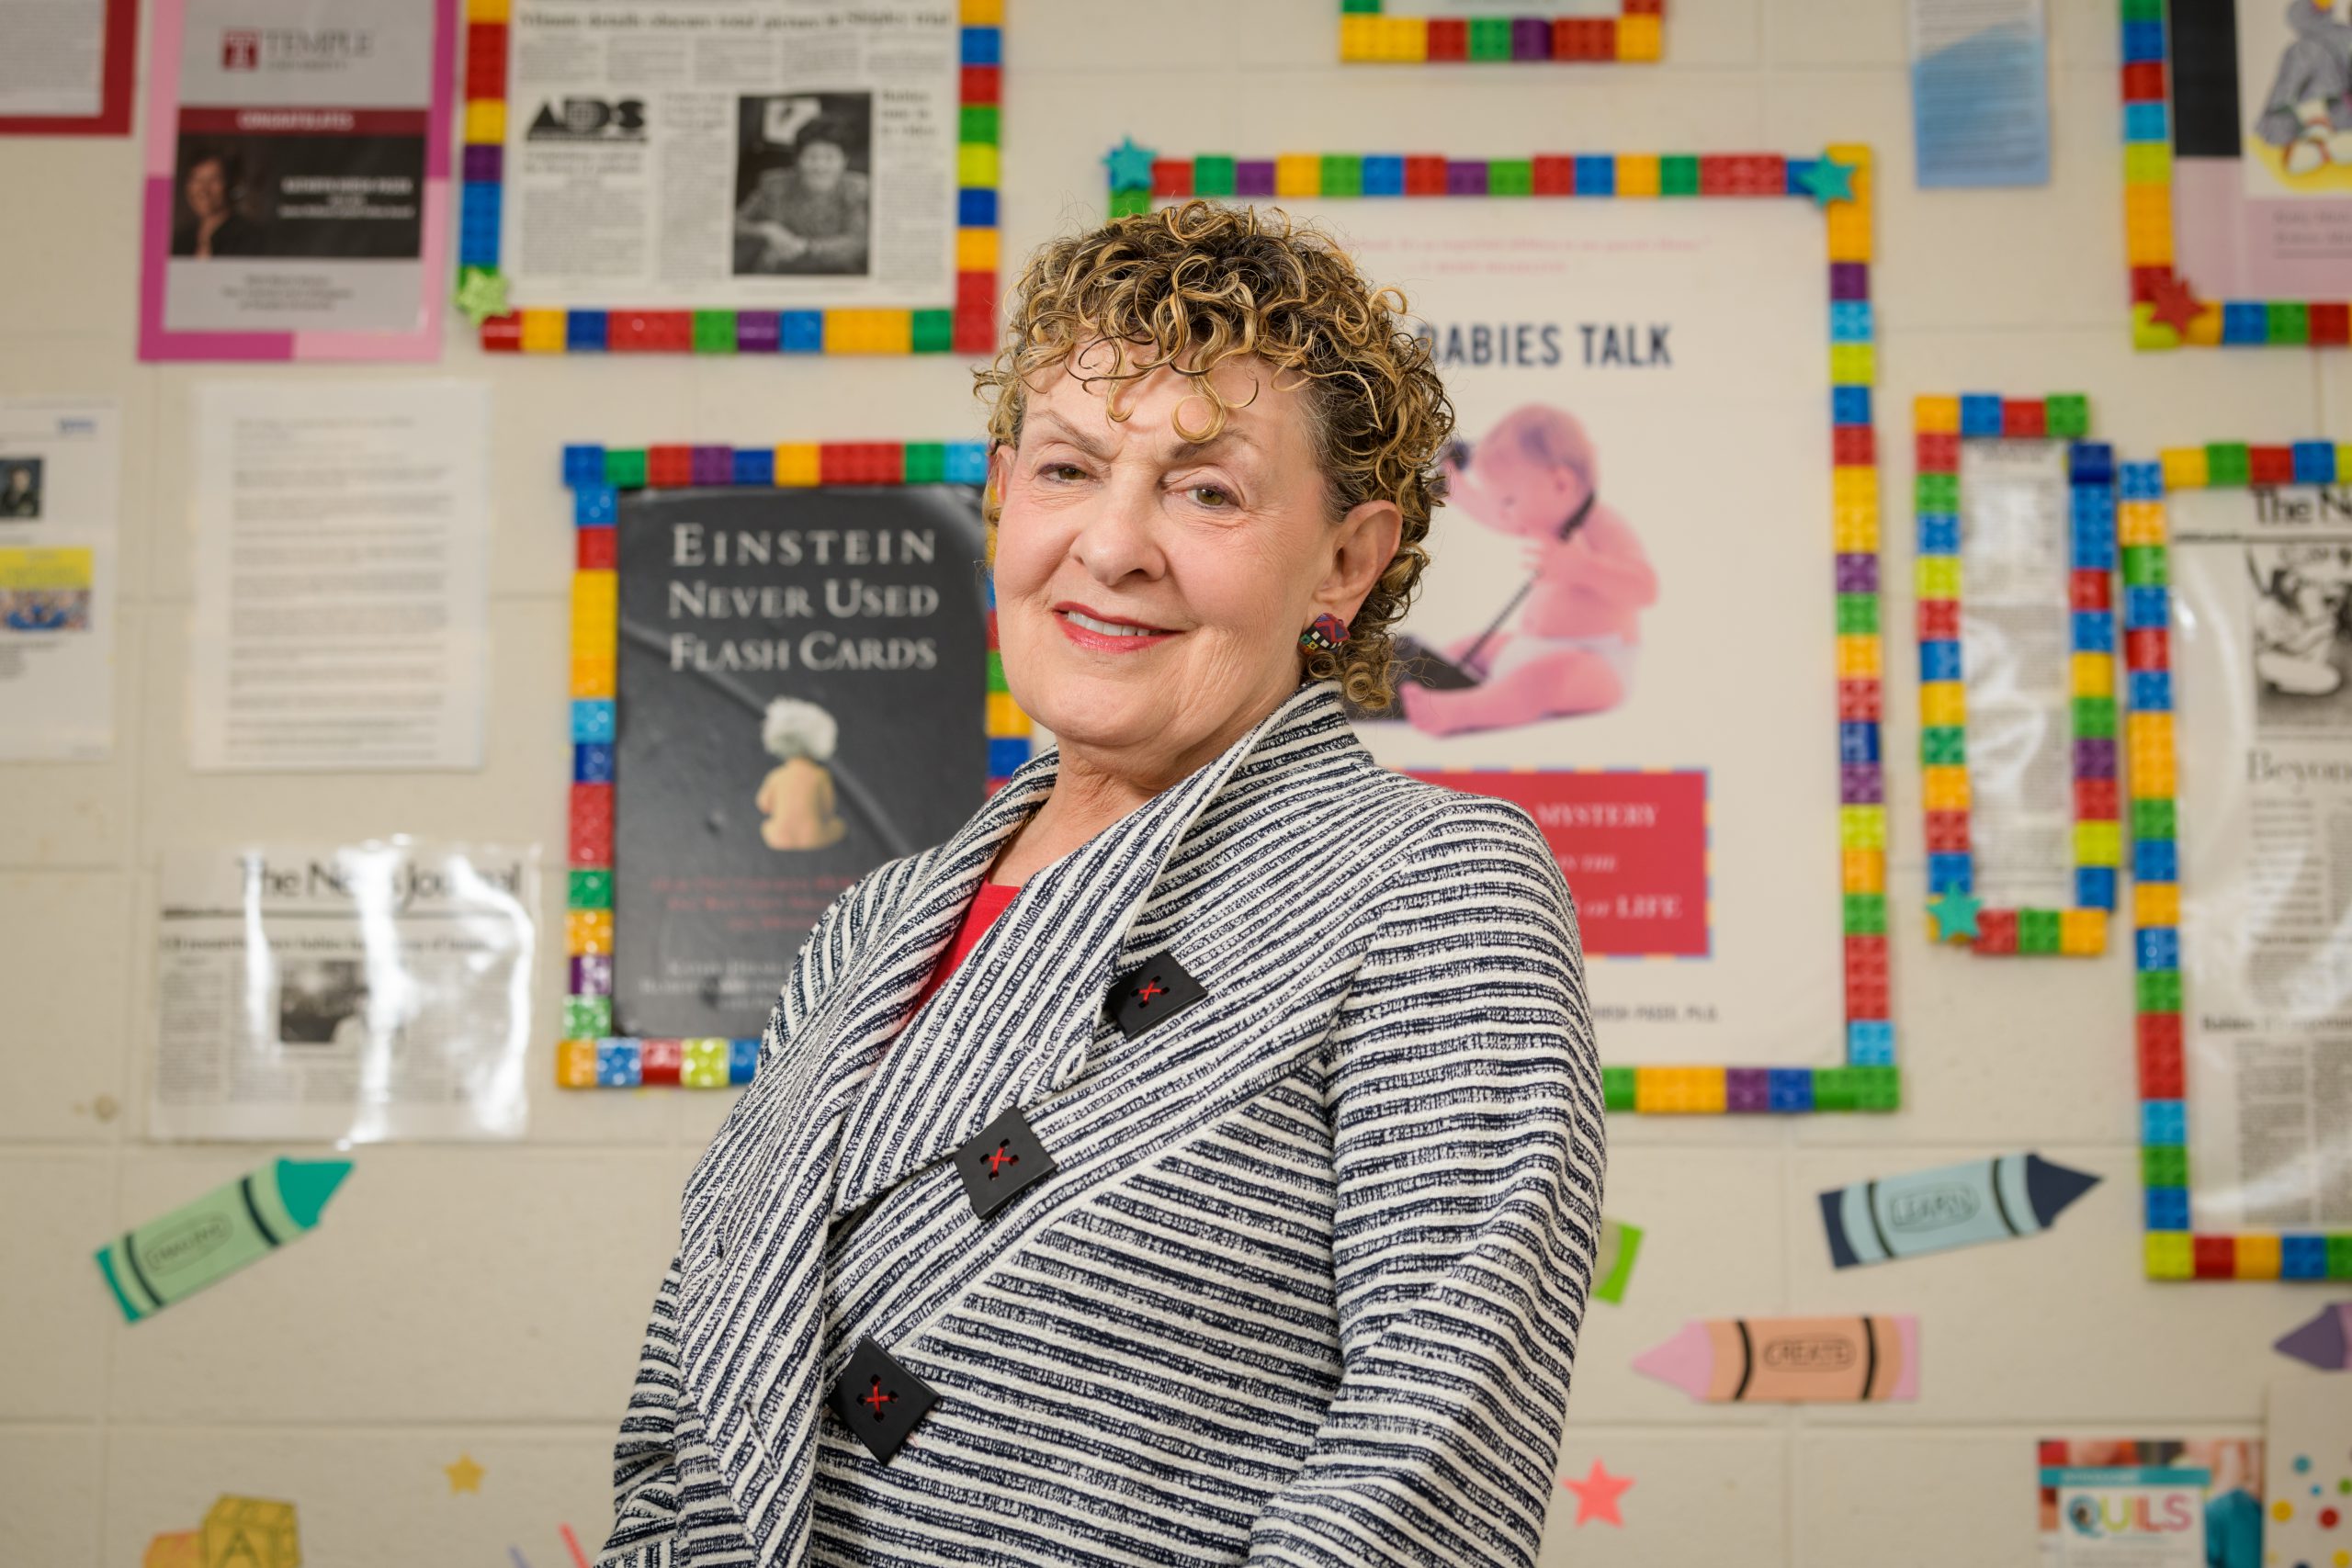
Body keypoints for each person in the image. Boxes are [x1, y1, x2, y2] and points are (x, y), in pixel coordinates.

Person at [595, 200, 1606, 1567]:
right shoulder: (873, 922)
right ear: (1004, 493)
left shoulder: (1431, 889)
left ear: (1348, 562)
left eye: (1207, 490)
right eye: (1069, 470)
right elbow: (686, 1394)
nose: (1114, 544)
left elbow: (1426, 1477)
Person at [1385, 403, 1658, 737]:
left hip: (1599, 663)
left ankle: (1460, 711)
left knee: (1542, 680)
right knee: (1468, 649)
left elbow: (1645, 588)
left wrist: (1583, 568)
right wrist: (1454, 485)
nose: (1506, 515)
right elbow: (1495, 515)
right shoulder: (1545, 516)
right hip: (1530, 644)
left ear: (1561, 484)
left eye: (1510, 501)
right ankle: (1408, 685)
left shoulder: (1602, 526)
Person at [733, 119, 870, 275]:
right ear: (797, 159)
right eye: (811, 157)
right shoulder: (774, 185)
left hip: (838, 276)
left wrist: (804, 246)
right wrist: (766, 230)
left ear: (844, 161)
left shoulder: (858, 189)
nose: (820, 167)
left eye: (830, 157)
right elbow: (735, 222)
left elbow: (859, 241)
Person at [170, 152, 262, 258]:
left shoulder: (250, 238)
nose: (203, 190)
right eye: (196, 180)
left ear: (230, 185)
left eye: (214, 180)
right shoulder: (181, 240)